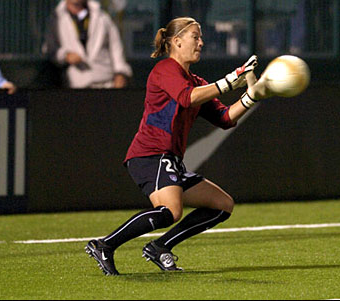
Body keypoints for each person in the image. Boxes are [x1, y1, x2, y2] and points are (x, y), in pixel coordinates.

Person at [85, 17, 275, 275]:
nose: (201, 42)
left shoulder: (196, 81)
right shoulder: (164, 70)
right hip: (150, 155)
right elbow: (187, 98)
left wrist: (252, 97)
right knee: (170, 211)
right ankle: (105, 245)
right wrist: (229, 81)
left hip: (170, 160)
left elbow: (225, 118)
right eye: (195, 37)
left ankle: (160, 247)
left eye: (200, 37)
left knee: (222, 204)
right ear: (176, 41)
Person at [42, 0, 132, 89]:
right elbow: (49, 48)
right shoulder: (56, 19)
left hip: (106, 81)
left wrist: (120, 72)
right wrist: (66, 55)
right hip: (77, 84)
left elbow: (115, 45)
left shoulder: (100, 16)